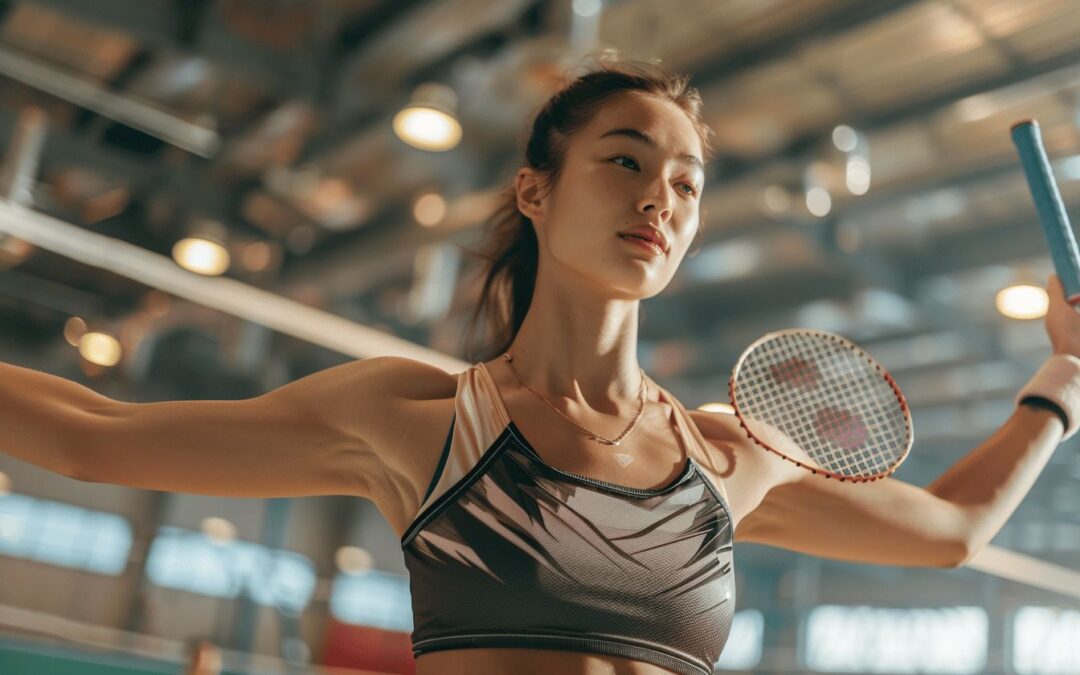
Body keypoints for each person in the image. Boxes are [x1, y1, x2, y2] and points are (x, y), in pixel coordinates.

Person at [2, 56, 1079, 675]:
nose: (660, 199)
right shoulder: (418, 419)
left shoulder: (728, 455)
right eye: (625, 161)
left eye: (688, 184)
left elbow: (952, 535)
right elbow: (92, 440)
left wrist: (1065, 380)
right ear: (535, 191)